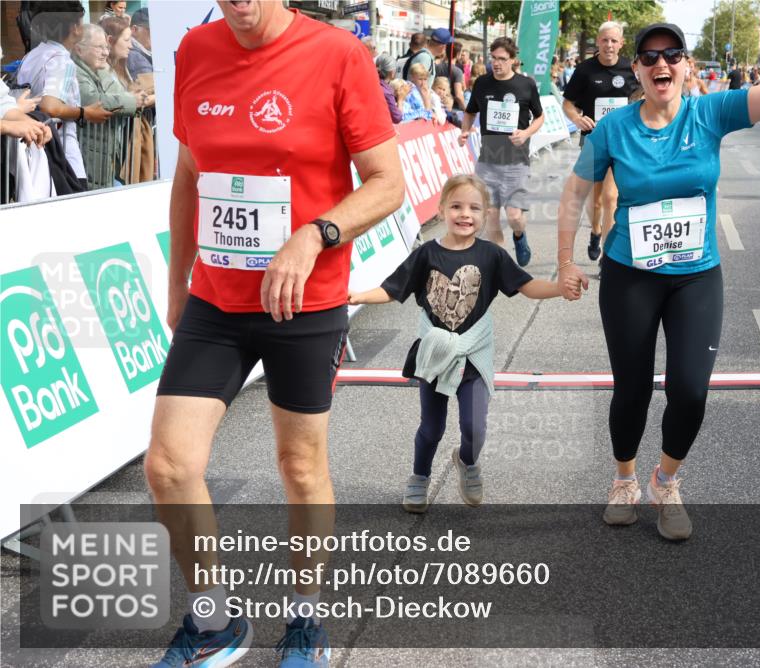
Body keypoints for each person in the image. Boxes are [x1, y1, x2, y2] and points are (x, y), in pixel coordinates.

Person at [556, 1, 760, 541]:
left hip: (695, 278)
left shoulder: (709, 113)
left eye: (671, 55)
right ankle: (623, 480)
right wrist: (567, 260)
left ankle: (666, 480)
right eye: (649, 57)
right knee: (632, 388)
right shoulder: (614, 128)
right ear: (637, 70)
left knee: (690, 389)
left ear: (686, 66)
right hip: (629, 276)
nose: (660, 64)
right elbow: (574, 193)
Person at [146, 1, 403, 666]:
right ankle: (214, 624)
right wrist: (178, 282)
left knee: (299, 467)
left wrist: (315, 236)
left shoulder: (338, 54)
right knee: (169, 466)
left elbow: (388, 184)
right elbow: (188, 173)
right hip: (218, 302)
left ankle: (306, 620)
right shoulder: (196, 51)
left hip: (306, 302)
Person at [348, 174, 562, 512]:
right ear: (441, 209)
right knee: (431, 428)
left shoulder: (492, 255)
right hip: (435, 355)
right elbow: (392, 289)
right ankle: (419, 477)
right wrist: (359, 295)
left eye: (475, 208)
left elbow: (526, 285)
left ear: (486, 214)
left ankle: (467, 462)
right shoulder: (426, 254)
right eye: (457, 206)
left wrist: (559, 288)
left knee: (474, 428)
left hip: (473, 356)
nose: (465, 214)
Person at [459, 37, 544, 267]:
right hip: (488, 162)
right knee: (490, 217)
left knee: (515, 216)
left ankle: (519, 236)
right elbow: (469, 112)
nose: (496, 63)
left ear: (513, 60)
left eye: (502, 59)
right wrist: (465, 131)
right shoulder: (482, 83)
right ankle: (496, 266)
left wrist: (526, 134)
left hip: (516, 162)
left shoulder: (526, 85)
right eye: (493, 58)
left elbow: (540, 117)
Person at [562, 21, 640, 264]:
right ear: (598, 42)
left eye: (614, 41)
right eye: (605, 40)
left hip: (622, 143)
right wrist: (577, 118)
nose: (609, 45)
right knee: (595, 200)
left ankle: (609, 257)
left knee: (611, 198)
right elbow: (568, 103)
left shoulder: (631, 68)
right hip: (594, 142)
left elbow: (640, 95)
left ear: (621, 44)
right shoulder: (585, 70)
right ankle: (595, 232)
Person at [16, 1, 113, 187]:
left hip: (37, 156)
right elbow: (49, 106)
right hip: (63, 158)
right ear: (75, 28)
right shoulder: (62, 60)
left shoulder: (31, 56)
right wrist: (85, 113)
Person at [72, 23, 147, 189]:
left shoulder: (96, 68)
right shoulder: (75, 72)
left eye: (106, 47)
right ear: (79, 50)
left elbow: (116, 94)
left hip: (102, 157)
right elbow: (94, 100)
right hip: (90, 158)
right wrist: (132, 101)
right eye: (99, 47)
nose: (106, 52)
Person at [437, 39, 466, 114]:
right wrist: (466, 109)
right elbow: (458, 95)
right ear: (458, 54)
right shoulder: (457, 71)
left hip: (437, 105)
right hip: (452, 108)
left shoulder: (436, 67)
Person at [126, 7, 154, 80]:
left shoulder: (145, 53)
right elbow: (150, 89)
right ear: (134, 30)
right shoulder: (134, 56)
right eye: (150, 29)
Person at [376, 54, 403, 123]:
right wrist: (400, 99)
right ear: (392, 72)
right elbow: (397, 118)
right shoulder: (387, 93)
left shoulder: (371, 83)